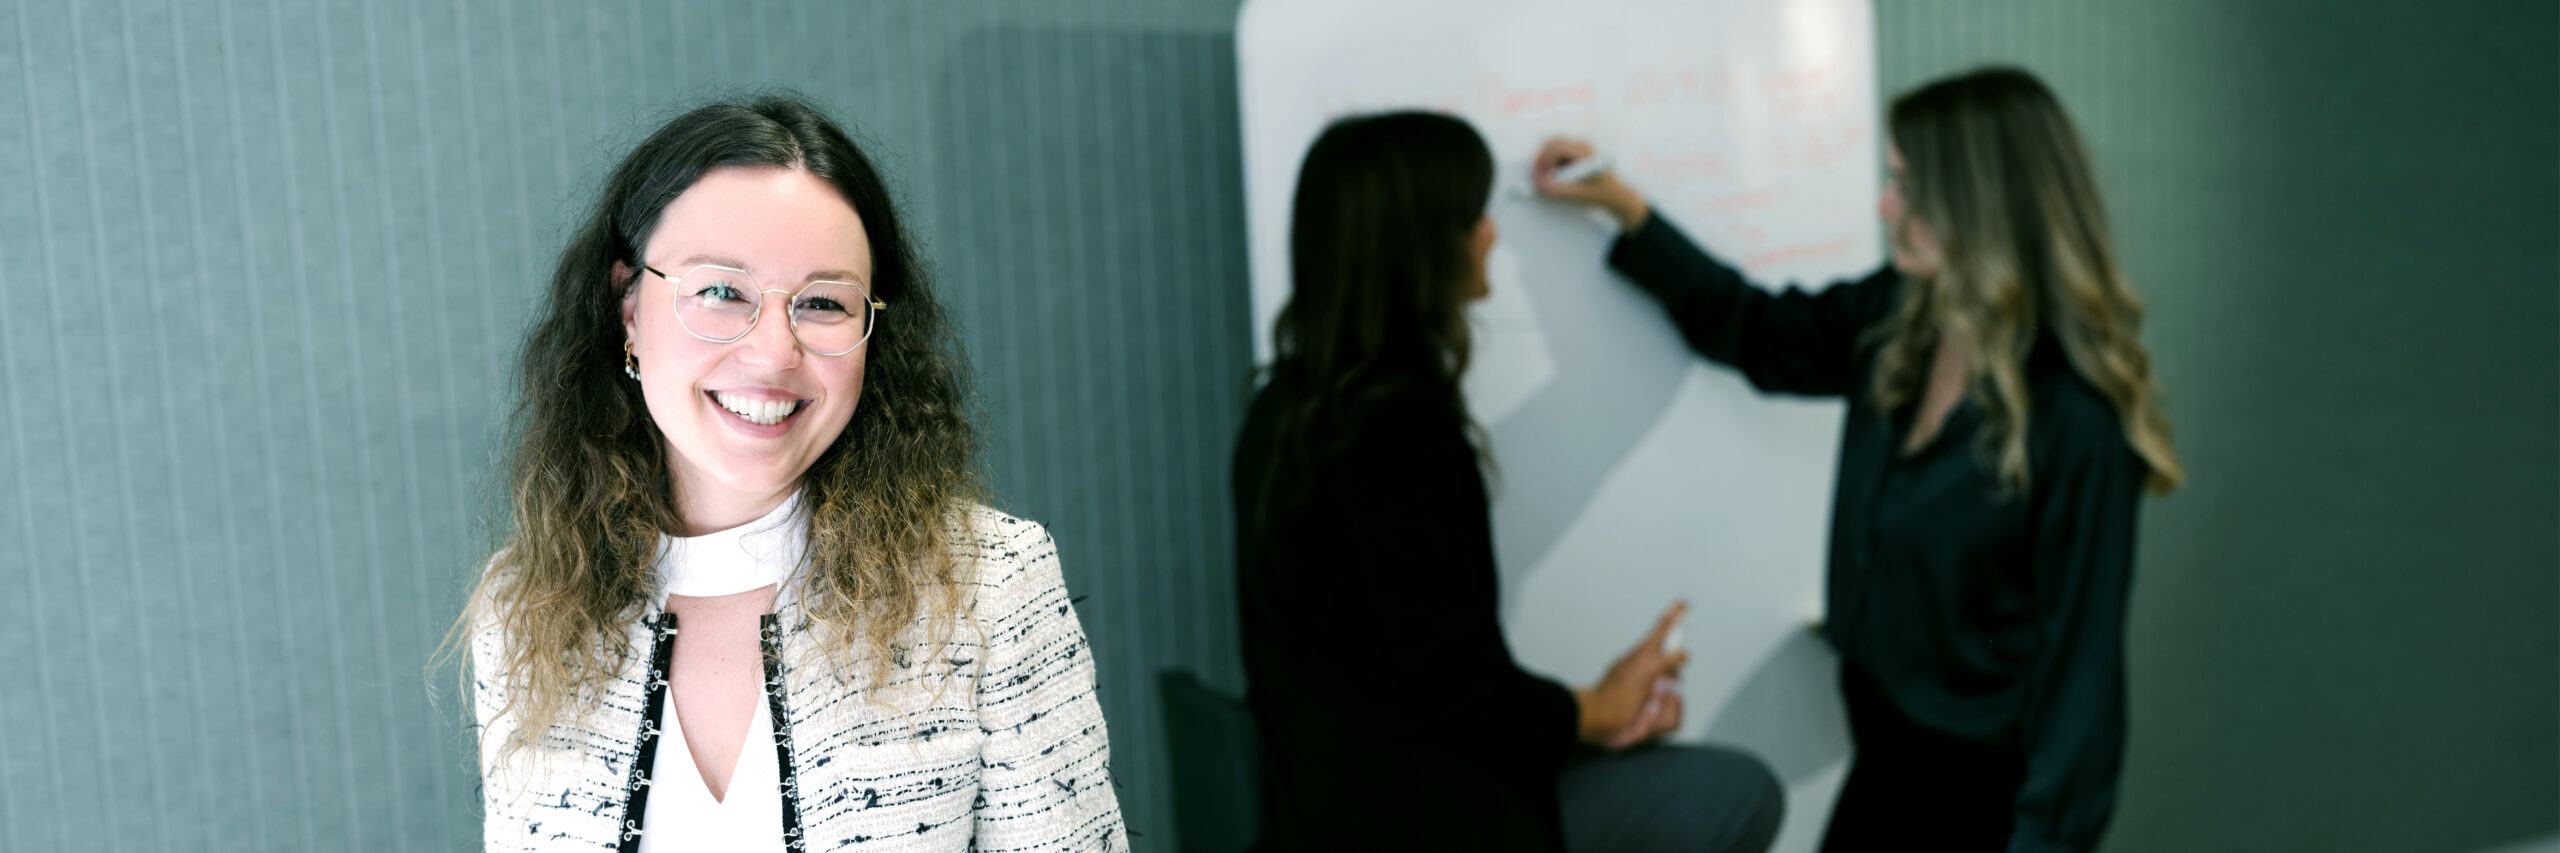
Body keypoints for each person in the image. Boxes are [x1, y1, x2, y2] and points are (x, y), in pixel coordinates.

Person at [1533, 67, 2184, 853]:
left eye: (1906, 185)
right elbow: (1759, 332)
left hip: (1982, 786)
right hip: (1884, 750)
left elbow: (2083, 683)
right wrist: (1624, 208)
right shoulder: (1898, 317)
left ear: (1976, 202)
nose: (1885, 206)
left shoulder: (2076, 420)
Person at [452, 96, 1124, 852]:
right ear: (629, 308)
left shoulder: (988, 588)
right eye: (719, 290)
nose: (774, 351)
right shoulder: (525, 611)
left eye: (823, 302)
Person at [1233, 110, 1784, 853]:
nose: (1491, 233)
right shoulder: (1400, 430)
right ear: (1420, 246)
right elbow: (1464, 692)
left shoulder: (1285, 409)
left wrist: (1589, 710)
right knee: (1734, 791)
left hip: (1329, 810)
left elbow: (1423, 673)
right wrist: (1597, 707)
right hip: (1423, 822)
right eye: (1471, 215)